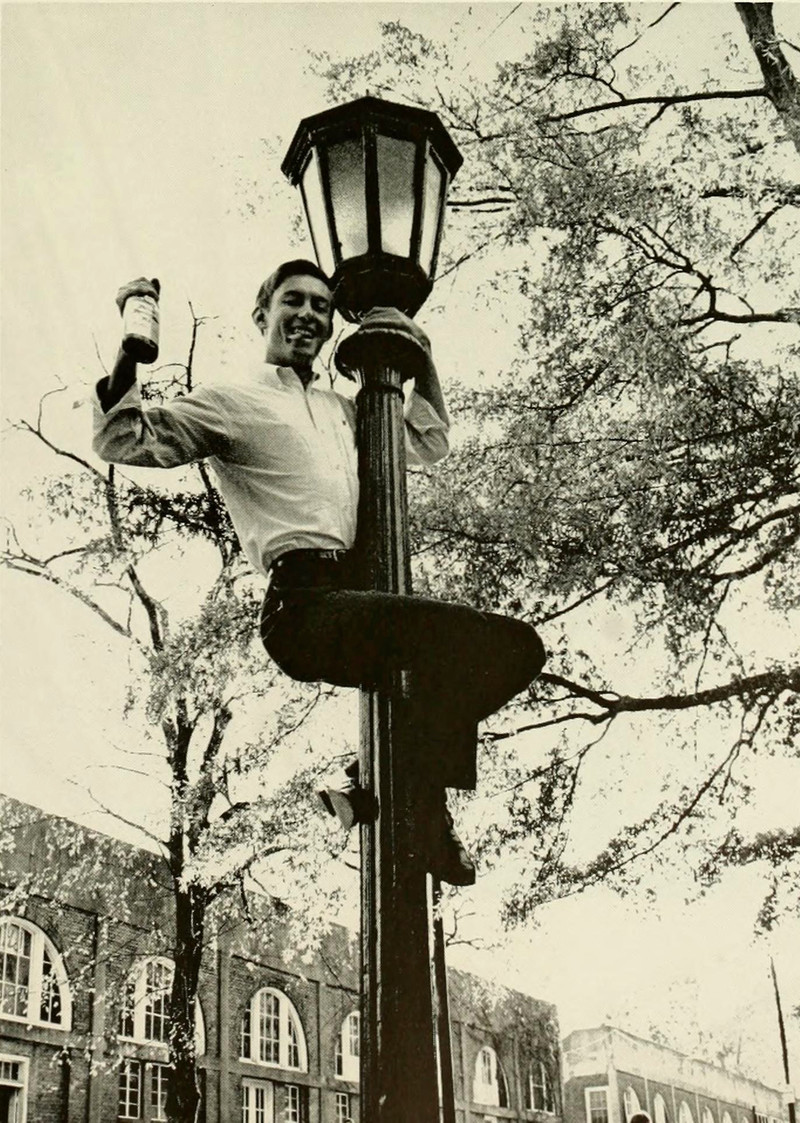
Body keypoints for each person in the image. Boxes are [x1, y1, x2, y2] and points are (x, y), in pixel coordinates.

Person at [93, 261, 546, 885]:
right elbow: (123, 439)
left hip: (360, 596)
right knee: (472, 648)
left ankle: (384, 786)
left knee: (515, 648)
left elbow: (428, 440)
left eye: (320, 306)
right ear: (262, 314)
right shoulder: (233, 402)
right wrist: (131, 345)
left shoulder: (348, 411)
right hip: (302, 608)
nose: (308, 314)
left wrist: (420, 353)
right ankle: (411, 803)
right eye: (293, 301)